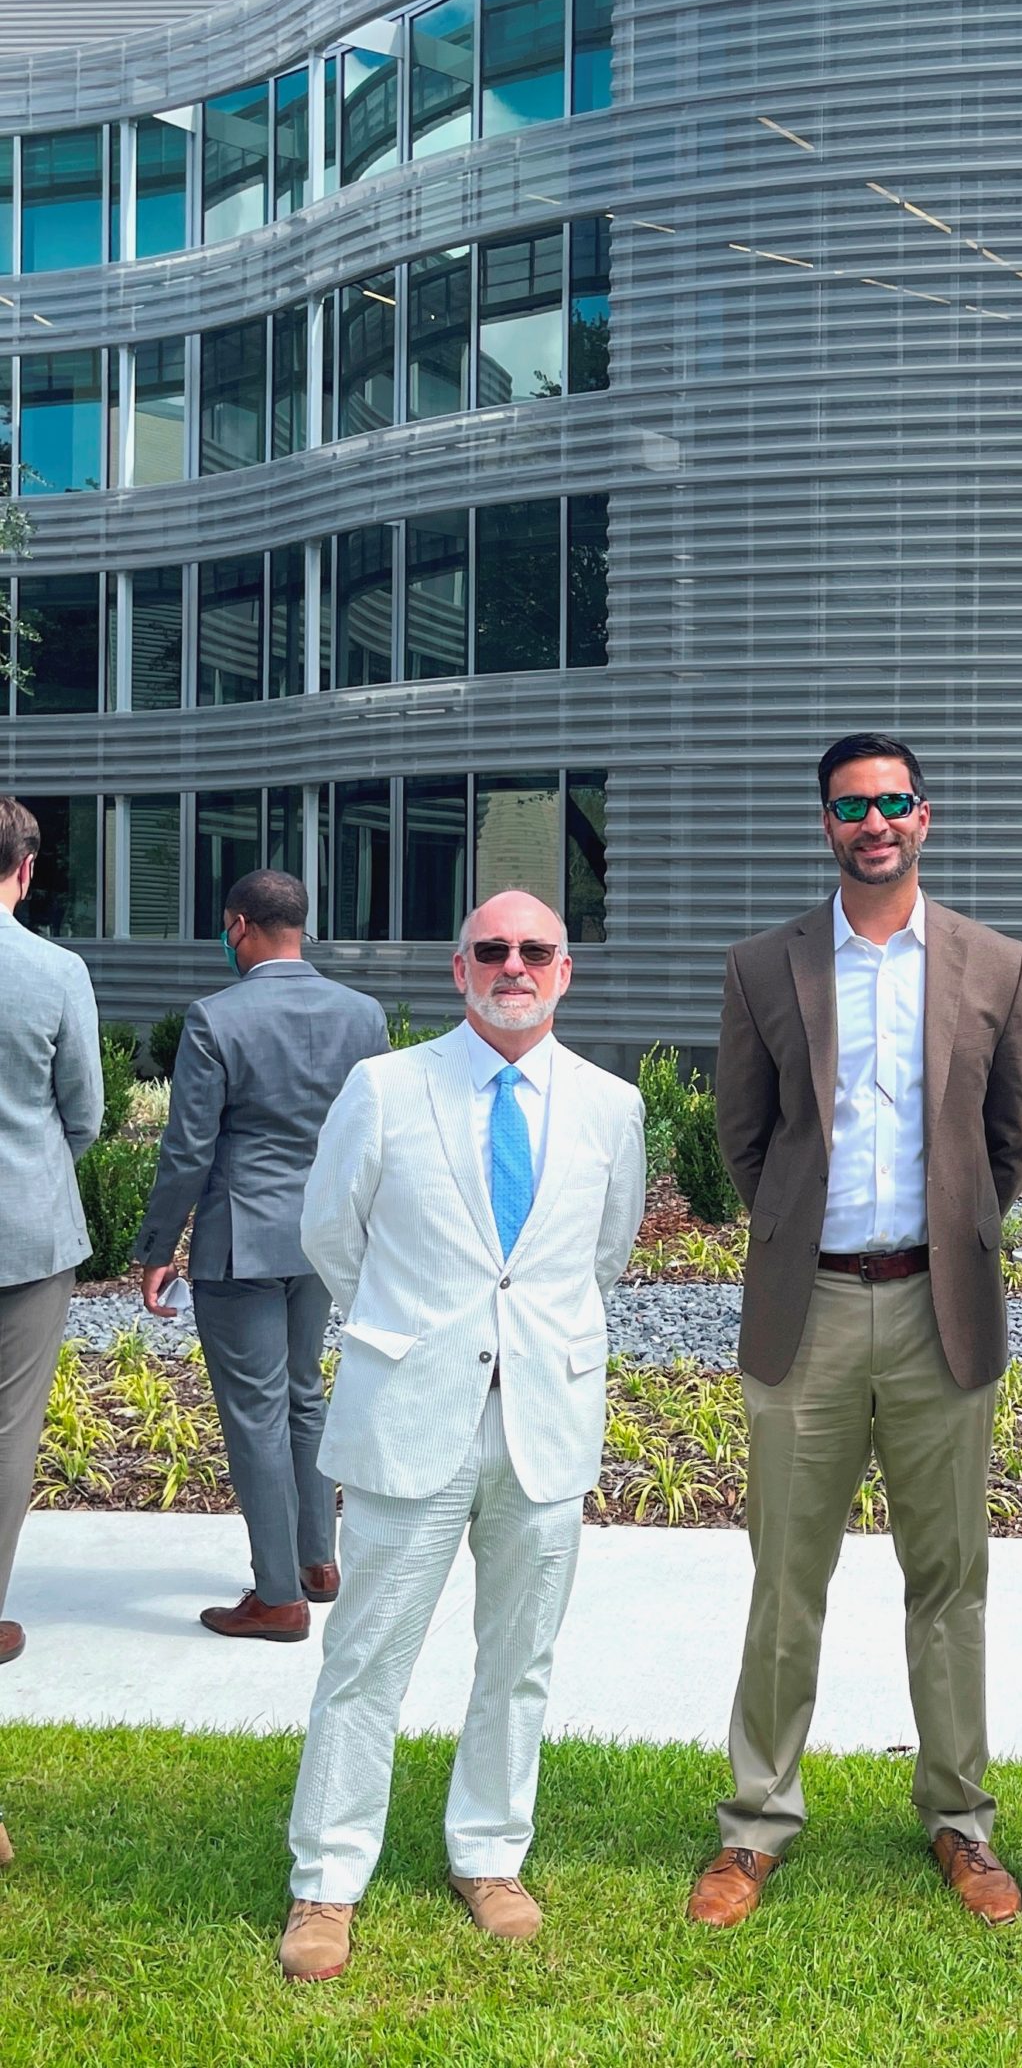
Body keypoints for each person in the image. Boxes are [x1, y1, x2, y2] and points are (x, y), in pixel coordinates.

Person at [690, 733, 1022, 1933]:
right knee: (786, 1579)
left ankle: (960, 1817)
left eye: (893, 802)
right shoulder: (763, 965)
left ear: (924, 817)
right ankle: (754, 1823)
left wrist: (953, 1228)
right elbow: (746, 1137)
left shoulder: (996, 963)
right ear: (827, 825)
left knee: (949, 1580)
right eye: (852, 807)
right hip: (813, 1313)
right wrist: (806, 1230)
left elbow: (1015, 1134)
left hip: (945, 1309)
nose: (874, 822)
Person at [278, 890, 646, 1982]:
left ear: (565, 971)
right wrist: (414, 1333)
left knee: (519, 1660)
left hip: (545, 1418)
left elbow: (606, 1252)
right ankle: (326, 1881)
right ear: (460, 969)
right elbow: (329, 1232)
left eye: (536, 950)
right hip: (410, 1415)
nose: (514, 965)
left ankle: (490, 1855)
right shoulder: (385, 1087)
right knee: (363, 1661)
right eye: (493, 949)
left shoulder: (611, 1105)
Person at [131, 868, 389, 1642]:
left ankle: (277, 1597)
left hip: (241, 1239)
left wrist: (157, 1246)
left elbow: (189, 1150)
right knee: (304, 1393)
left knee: (256, 1416)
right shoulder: (363, 1014)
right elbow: (380, 1133)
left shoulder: (215, 1018)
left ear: (239, 925)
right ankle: (318, 1561)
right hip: (324, 1237)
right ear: (300, 926)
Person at [0, 796, 104, 1687]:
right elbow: (86, 1112)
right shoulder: (56, 970)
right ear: (27, 871)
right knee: (8, 1430)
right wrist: (34, 1167)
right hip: (24, 1232)